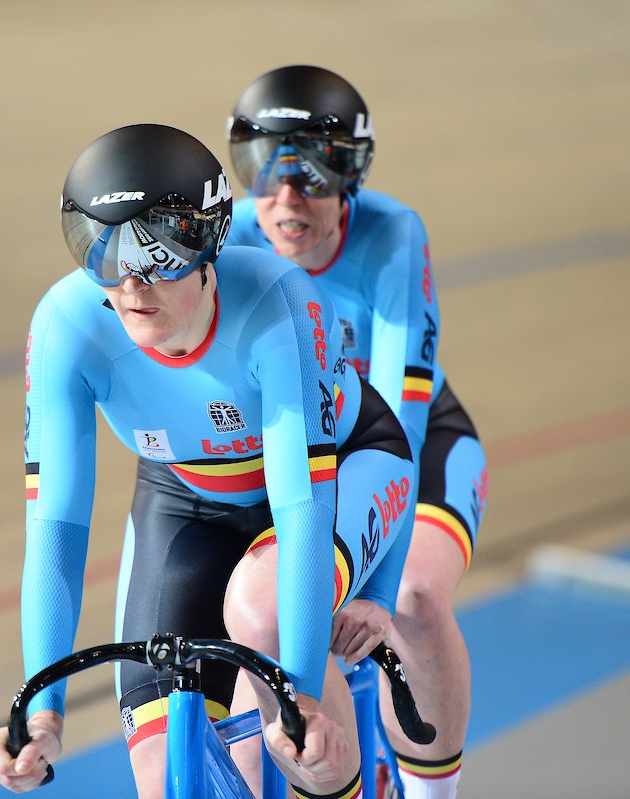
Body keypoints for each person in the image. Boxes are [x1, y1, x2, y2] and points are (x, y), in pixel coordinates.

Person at [0, 122, 419, 799]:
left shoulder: (277, 302)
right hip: (187, 503)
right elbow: (57, 531)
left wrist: (299, 694)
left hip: (345, 468)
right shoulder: (64, 324)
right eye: (103, 251)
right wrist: (42, 713)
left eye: (157, 252)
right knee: (161, 776)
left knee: (269, 625)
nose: (131, 282)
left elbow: (303, 511)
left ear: (209, 243)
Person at [224, 65, 488, 799]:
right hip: (294, 453)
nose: (285, 200)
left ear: (350, 179)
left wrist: (374, 584)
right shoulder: (228, 238)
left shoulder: (392, 234)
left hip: (405, 441)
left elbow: (400, 426)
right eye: (263, 173)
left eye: (312, 177)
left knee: (415, 599)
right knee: (265, 628)